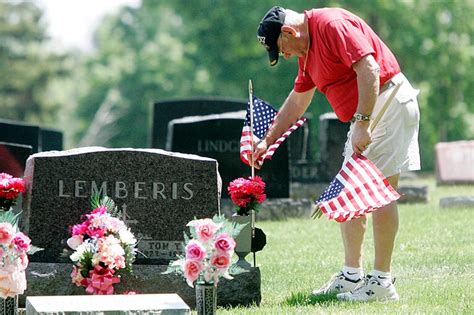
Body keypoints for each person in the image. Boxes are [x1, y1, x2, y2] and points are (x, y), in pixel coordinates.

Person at [254, 6, 420, 302]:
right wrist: (267, 139)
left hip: (387, 102)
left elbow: (369, 68)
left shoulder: (331, 25)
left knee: (378, 192)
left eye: (284, 49)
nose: (288, 56)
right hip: (371, 111)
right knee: (351, 193)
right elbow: (299, 99)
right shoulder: (307, 53)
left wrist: (362, 123)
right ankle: (351, 275)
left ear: (289, 32)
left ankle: (381, 282)